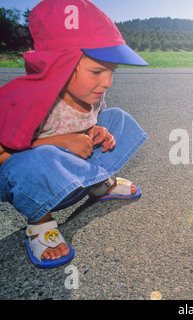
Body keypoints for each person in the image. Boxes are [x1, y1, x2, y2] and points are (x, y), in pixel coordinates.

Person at [0, 0, 148, 268]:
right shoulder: (20, 102)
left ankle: (98, 184)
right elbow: (5, 159)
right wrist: (59, 143)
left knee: (116, 118)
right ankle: (40, 224)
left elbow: (79, 123)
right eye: (96, 71)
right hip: (39, 188)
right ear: (59, 65)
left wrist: (94, 130)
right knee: (31, 162)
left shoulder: (91, 96)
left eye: (111, 72)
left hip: (73, 177)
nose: (107, 82)